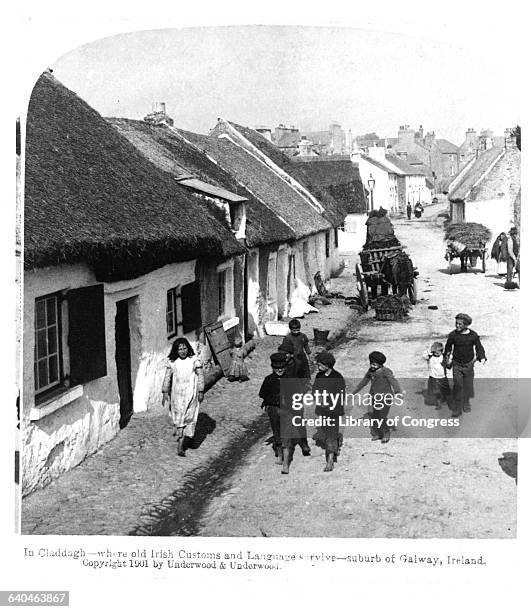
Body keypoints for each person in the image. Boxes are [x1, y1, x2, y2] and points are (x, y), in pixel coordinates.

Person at [259, 353, 304, 474]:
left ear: (286, 367)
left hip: (288, 411)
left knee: (286, 437)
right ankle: (279, 455)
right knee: (277, 433)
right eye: (276, 367)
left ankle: (286, 464)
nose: (279, 369)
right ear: (272, 367)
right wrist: (273, 399)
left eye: (282, 367)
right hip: (273, 410)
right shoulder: (268, 380)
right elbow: (262, 394)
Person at [162, 337, 205, 456]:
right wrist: (165, 391)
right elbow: (167, 377)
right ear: (176, 350)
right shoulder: (172, 362)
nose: (182, 351)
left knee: (190, 417)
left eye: (184, 348)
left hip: (191, 393)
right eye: (180, 349)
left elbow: (200, 376)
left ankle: (188, 438)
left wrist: (201, 391)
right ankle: (181, 444)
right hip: (177, 396)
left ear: (188, 348)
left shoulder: (194, 361)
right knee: (180, 418)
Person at [352, 351, 401, 443]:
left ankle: (386, 433)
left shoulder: (386, 371)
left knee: (381, 416)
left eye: (375, 364)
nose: (372, 366)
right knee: (375, 416)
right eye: (371, 364)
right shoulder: (370, 371)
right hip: (374, 397)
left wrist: (398, 392)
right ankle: (378, 434)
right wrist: (353, 392)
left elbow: (393, 381)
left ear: (380, 364)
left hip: (386, 398)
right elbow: (363, 382)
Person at [444, 313, 486, 416]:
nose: (457, 326)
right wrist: (447, 358)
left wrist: (482, 357)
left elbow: (479, 347)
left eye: (460, 324)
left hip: (469, 365)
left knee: (467, 385)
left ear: (466, 325)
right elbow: (448, 347)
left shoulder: (473, 335)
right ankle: (457, 407)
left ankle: (466, 402)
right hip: (457, 365)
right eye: (456, 323)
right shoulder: (453, 335)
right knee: (458, 385)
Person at [312, 352, 346, 472]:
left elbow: (340, 394)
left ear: (327, 365)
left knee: (330, 434)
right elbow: (315, 390)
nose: (318, 366)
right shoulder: (319, 376)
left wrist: (330, 403)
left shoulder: (337, 377)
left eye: (320, 364)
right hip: (322, 410)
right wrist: (318, 398)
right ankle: (337, 440)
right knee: (327, 431)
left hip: (333, 410)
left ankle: (330, 460)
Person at [422, 342, 452, 411]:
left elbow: (449, 366)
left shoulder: (443, 357)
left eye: (441, 350)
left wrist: (448, 361)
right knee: (436, 392)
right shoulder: (430, 357)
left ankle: (444, 400)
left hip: (443, 377)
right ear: (433, 351)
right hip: (433, 377)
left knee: (445, 391)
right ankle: (438, 403)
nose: (440, 352)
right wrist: (430, 349)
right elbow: (424, 355)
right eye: (438, 351)